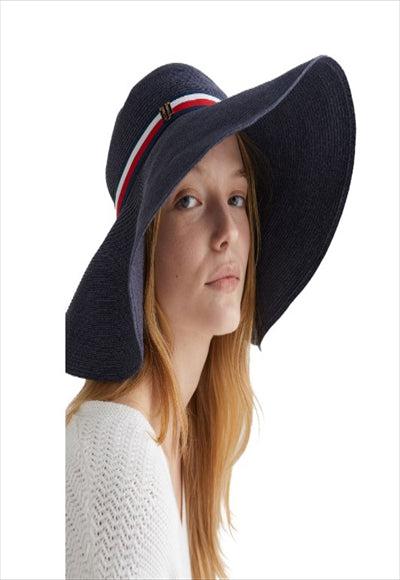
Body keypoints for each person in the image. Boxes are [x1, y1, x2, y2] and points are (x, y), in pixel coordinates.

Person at [65, 56, 356, 579]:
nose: (229, 232)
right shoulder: (121, 461)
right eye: (189, 200)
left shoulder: (174, 444)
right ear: (143, 245)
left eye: (237, 198)